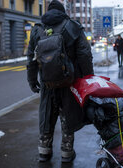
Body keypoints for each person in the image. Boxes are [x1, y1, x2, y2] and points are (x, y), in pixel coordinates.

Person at [27, 0, 94, 163]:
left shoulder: (38, 30)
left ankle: (44, 151)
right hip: (68, 81)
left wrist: (32, 81)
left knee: (47, 114)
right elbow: (84, 55)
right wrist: (88, 79)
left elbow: (31, 59)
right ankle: (66, 152)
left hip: (47, 82)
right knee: (67, 115)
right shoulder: (73, 26)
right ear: (63, 11)